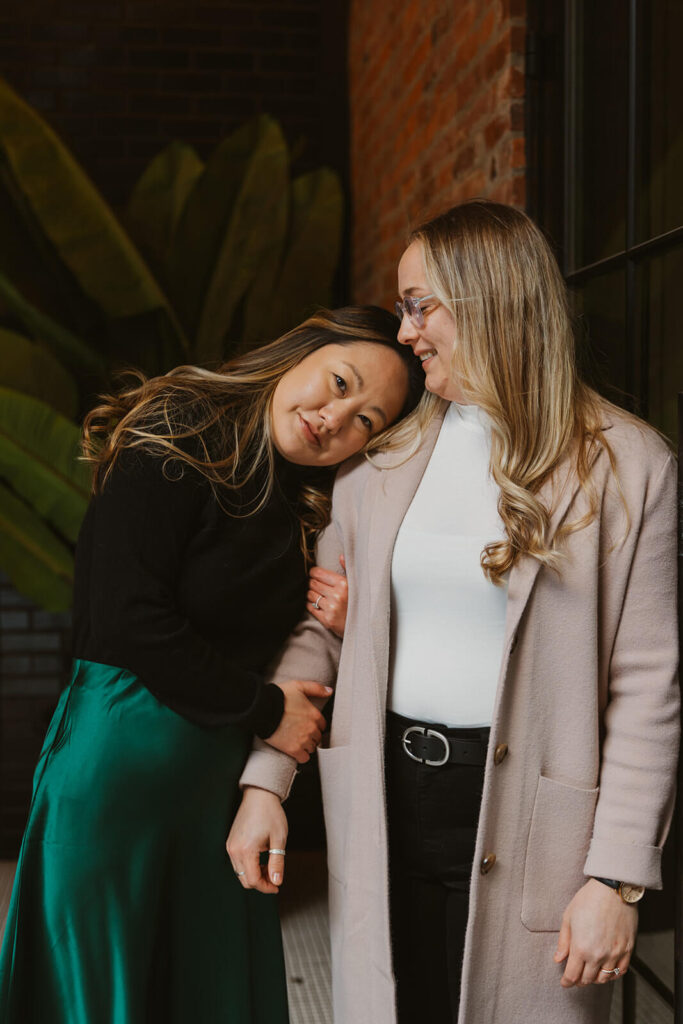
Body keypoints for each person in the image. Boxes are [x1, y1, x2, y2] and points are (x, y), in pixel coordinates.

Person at [227, 201, 680, 1024]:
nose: (405, 333)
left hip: (537, 823)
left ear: (488, 299)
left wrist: (616, 878)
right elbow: (318, 637)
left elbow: (647, 687)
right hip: (384, 797)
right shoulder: (376, 461)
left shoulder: (626, 462)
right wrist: (268, 780)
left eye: (417, 304)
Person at [0, 306, 425, 1024]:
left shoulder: (304, 502)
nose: (335, 416)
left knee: (207, 988)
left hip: (215, 786)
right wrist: (268, 712)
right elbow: (132, 620)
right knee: (106, 992)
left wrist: (353, 618)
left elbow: (296, 642)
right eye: (339, 381)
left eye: (366, 420)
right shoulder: (176, 433)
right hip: (118, 764)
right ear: (304, 346)